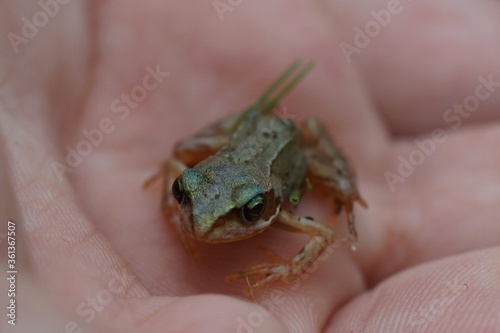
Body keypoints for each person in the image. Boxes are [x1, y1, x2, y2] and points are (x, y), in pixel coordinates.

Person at [1, 1, 499, 332]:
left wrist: (287, 268)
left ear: (264, 207)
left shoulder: (281, 210)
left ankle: (342, 189)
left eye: (244, 212)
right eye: (185, 195)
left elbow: (321, 235)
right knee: (185, 149)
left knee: (336, 184)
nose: (202, 222)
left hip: (284, 151)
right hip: (245, 141)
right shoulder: (199, 187)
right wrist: (174, 194)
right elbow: (180, 158)